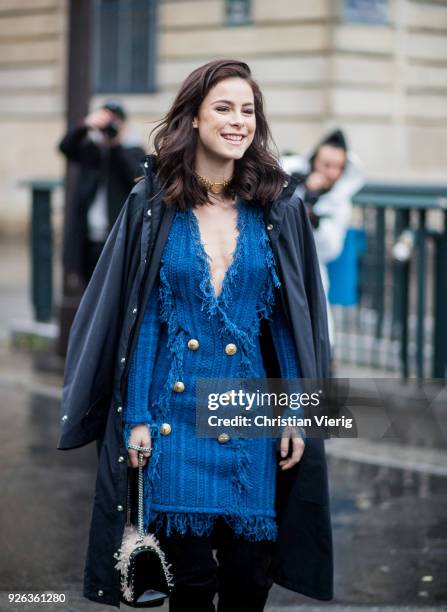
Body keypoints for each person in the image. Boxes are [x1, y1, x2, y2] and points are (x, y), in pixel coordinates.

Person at [58, 60, 333, 610]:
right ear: (195, 118)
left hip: (249, 416)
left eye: (248, 110)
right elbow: (144, 322)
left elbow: (290, 321)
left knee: (250, 579)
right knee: (190, 584)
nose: (239, 122)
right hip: (171, 420)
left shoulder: (278, 205)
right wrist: (135, 418)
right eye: (224, 108)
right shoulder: (154, 203)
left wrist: (301, 414)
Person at [282, 130, 364, 345]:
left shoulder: (339, 203)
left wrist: (314, 218)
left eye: (337, 167)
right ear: (314, 160)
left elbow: (331, 249)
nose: (330, 172)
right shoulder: (292, 177)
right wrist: (302, 189)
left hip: (310, 272)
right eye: (326, 164)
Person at [58, 100, 146, 289]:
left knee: (115, 291)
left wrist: (117, 145)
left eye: (114, 121)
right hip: (88, 237)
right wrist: (84, 126)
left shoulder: (133, 150)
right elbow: (65, 147)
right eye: (105, 120)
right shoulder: (92, 150)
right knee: (89, 290)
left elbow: (135, 176)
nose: (109, 127)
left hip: (116, 237)